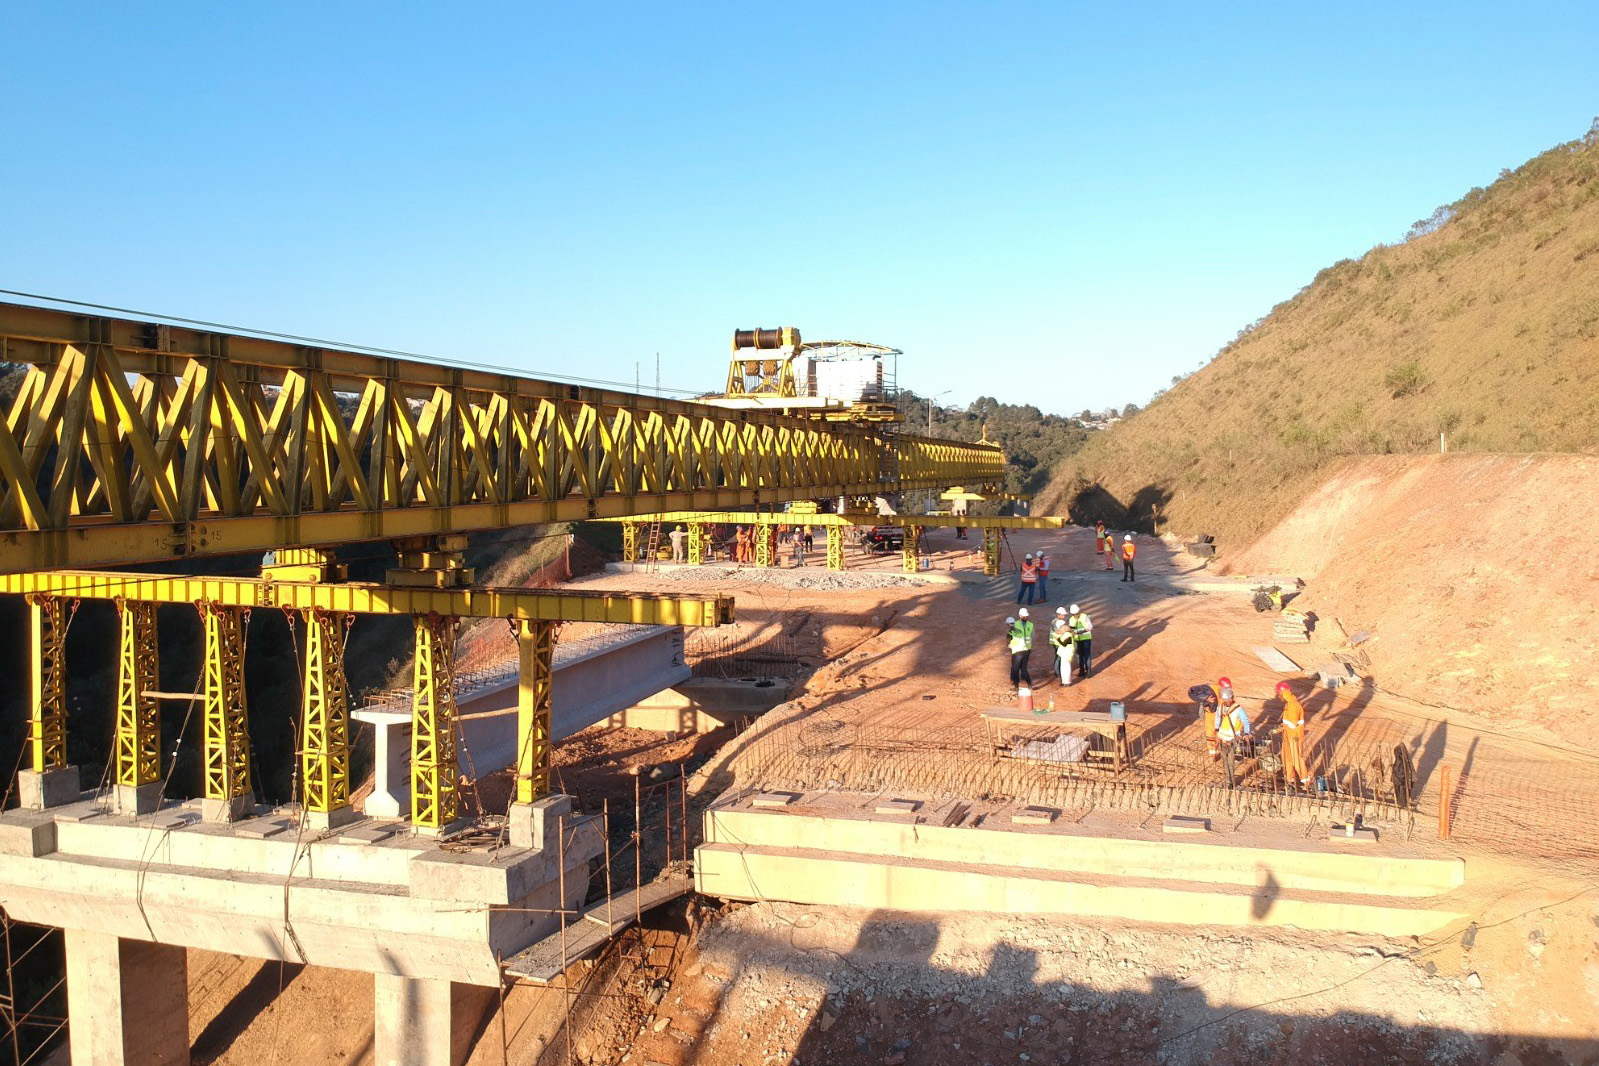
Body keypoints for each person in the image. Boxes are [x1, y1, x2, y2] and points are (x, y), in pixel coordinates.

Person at [1276, 681, 1313, 789]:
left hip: (1294, 736)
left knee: (1296, 758)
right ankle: (1289, 778)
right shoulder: (1289, 703)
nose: (1278, 696)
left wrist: (1283, 727)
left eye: (1278, 693)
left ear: (1282, 693)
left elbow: (1293, 723)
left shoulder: (1292, 705)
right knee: (1287, 757)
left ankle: (1305, 780)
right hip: (1288, 735)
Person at [1215, 680, 1252, 750]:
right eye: (1226, 700)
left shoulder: (1239, 709)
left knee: (1231, 755)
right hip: (1222, 736)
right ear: (1223, 699)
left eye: (1230, 699)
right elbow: (1217, 718)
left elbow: (1245, 721)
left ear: (1232, 697)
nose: (1228, 701)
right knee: (1224, 755)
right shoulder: (1220, 707)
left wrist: (1246, 733)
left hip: (1233, 737)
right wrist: (1216, 729)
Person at [1005, 610, 1034, 691]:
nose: (1025, 617)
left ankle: (1016, 686)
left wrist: (1008, 644)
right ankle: (1029, 684)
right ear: (1020, 616)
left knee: (1015, 668)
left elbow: (1009, 635)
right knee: (1023, 668)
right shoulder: (1030, 625)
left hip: (1018, 651)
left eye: (1026, 616)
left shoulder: (1015, 625)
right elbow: (1031, 636)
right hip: (1026, 649)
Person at [1067, 603, 1093, 681]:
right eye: (1074, 614)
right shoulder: (1071, 619)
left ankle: (1088, 672)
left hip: (1086, 638)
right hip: (1077, 639)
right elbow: (1071, 629)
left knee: (1086, 655)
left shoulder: (1084, 617)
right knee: (1079, 656)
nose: (1076, 615)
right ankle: (1081, 671)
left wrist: (1080, 631)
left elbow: (1089, 627)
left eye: (1076, 613)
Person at [1048, 607, 1072, 684]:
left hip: (1058, 642)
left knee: (1059, 656)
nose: (1064, 617)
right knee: (1058, 657)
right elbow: (1057, 631)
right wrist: (1067, 631)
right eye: (1063, 615)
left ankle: (1057, 670)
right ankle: (1057, 672)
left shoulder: (1060, 622)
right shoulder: (1054, 622)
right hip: (1056, 642)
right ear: (1058, 615)